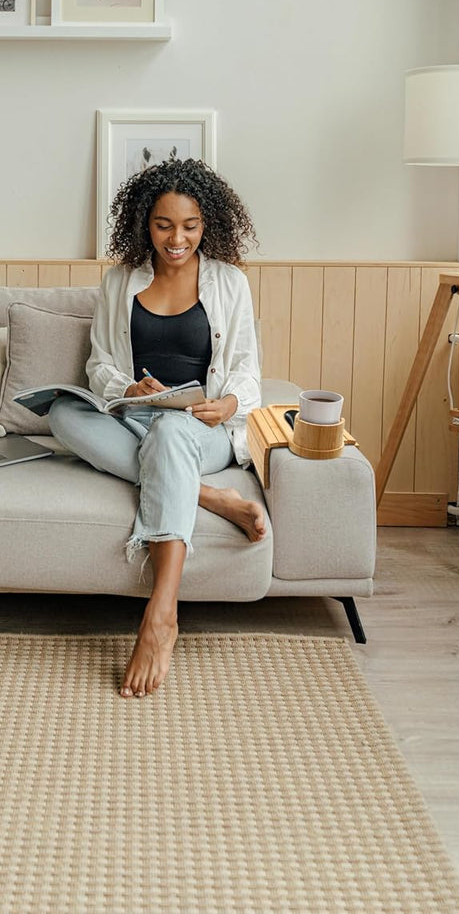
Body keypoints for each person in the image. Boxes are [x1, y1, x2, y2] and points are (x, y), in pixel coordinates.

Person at [48, 158, 265, 700]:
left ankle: (162, 613)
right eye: (165, 225)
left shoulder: (229, 282)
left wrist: (228, 402)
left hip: (201, 427)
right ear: (145, 222)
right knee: (60, 413)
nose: (177, 239)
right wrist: (128, 390)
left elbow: (247, 371)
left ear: (207, 224)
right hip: (138, 416)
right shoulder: (120, 280)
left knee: (170, 437)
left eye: (190, 226)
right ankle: (208, 496)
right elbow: (99, 367)